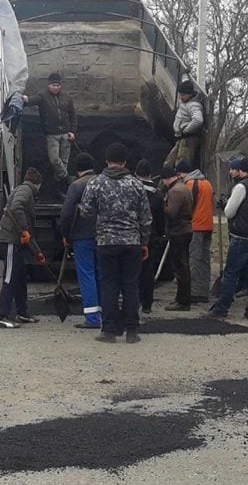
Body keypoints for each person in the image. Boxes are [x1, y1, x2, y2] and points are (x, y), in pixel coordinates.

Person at [79, 143, 151, 343]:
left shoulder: (95, 183)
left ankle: (109, 330)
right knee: (130, 285)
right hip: (131, 242)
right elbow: (146, 217)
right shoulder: (137, 185)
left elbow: (85, 212)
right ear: (125, 162)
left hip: (106, 242)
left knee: (109, 285)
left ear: (106, 161)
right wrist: (144, 241)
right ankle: (132, 331)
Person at [205, 157, 248, 319]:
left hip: (242, 236)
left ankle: (221, 308)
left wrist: (225, 205)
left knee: (231, 272)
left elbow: (229, 212)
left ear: (242, 170)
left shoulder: (241, 187)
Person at [0, 167, 44, 328]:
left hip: (16, 242)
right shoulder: (26, 191)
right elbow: (16, 207)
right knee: (9, 279)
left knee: (20, 277)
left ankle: (22, 313)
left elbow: (28, 232)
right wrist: (23, 230)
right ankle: (1, 316)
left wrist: (38, 253)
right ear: (38, 184)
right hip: (9, 241)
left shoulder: (24, 190)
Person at [60, 153, 100, 329]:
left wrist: (65, 235)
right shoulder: (103, 182)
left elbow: (67, 214)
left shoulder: (76, 186)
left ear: (77, 170)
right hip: (104, 236)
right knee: (102, 275)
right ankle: (105, 313)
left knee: (87, 275)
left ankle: (92, 318)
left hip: (82, 236)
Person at [23, 72, 77, 192]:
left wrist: (72, 131)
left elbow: (73, 115)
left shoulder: (67, 97)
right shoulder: (43, 95)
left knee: (64, 161)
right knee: (54, 160)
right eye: (53, 85)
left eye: (58, 85)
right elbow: (34, 99)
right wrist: (26, 99)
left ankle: (58, 185)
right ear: (49, 85)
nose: (56, 87)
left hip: (66, 133)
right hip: (51, 134)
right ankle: (67, 178)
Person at [178, 159, 214, 303]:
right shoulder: (207, 183)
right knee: (204, 260)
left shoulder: (190, 184)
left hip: (195, 226)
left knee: (192, 260)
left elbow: (187, 206)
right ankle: (203, 291)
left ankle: (191, 292)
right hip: (208, 225)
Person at [159, 165, 194, 312]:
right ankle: (183, 298)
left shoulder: (176, 191)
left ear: (167, 178)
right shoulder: (183, 187)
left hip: (179, 231)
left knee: (180, 267)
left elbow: (171, 212)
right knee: (183, 265)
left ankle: (183, 300)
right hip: (185, 230)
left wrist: (161, 204)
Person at [135, 159, 164, 314]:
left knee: (132, 270)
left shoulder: (132, 189)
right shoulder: (157, 194)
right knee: (148, 270)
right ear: (150, 174)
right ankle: (147, 303)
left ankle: (134, 299)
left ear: (136, 173)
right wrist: (160, 233)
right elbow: (160, 218)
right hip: (150, 237)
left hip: (132, 235)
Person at [164, 80, 203, 166]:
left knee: (181, 164)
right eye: (180, 94)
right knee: (169, 162)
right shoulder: (185, 102)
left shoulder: (194, 105)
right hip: (181, 138)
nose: (181, 97)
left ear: (189, 94)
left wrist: (186, 130)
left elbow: (198, 120)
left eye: (183, 95)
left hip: (187, 139)